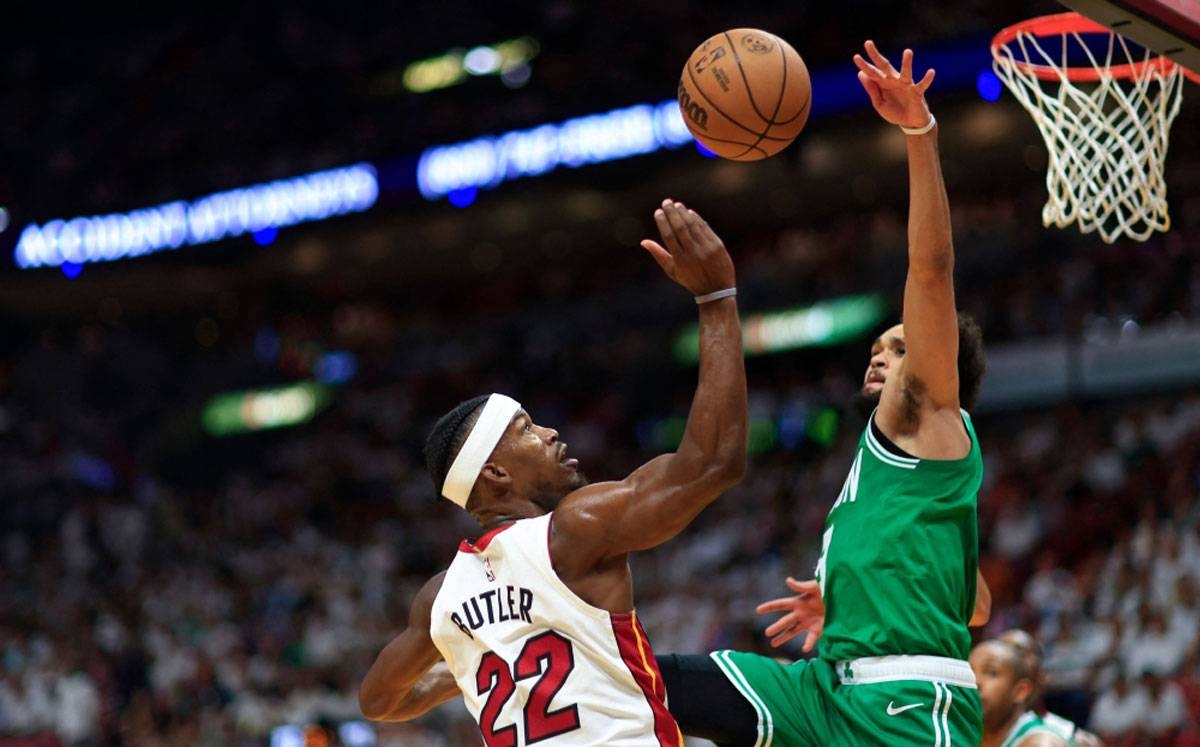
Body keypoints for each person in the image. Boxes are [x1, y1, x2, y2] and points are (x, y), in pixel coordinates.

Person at [655, 41, 989, 746]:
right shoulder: (904, 463)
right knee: (658, 680)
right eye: (882, 342)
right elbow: (977, 603)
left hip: (905, 701)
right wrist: (847, 594)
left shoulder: (934, 415)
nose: (882, 349)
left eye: (900, 345)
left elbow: (930, 269)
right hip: (827, 686)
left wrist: (920, 134)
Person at [358, 199, 748, 746]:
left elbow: (378, 700)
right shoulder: (573, 529)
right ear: (494, 473)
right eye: (525, 429)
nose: (549, 434)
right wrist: (715, 299)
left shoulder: (440, 599)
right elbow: (712, 464)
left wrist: (469, 673)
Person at [998, 629, 1101, 747]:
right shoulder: (975, 730)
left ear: (1042, 677)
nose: (1010, 661)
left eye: (1019, 652)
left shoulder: (1070, 736)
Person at [970, 637, 1068, 747]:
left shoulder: (1041, 743)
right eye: (970, 671)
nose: (975, 681)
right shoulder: (966, 731)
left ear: (1020, 691)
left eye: (991, 672)